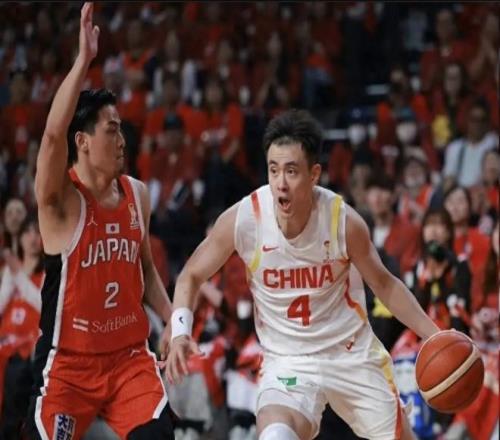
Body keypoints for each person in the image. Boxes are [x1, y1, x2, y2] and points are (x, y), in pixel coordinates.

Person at [163, 109, 440, 440]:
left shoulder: (343, 221)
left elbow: (385, 284)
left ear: (314, 175)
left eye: (292, 171)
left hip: (350, 352)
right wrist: (180, 330)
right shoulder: (247, 218)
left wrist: (436, 335)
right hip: (289, 360)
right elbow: (191, 274)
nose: (280, 183)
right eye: (273, 170)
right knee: (275, 436)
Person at [24, 4, 174, 439]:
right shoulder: (60, 202)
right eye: (111, 129)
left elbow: (145, 269)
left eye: (121, 128)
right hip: (70, 366)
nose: (122, 139)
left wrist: (174, 320)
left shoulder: (137, 194)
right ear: (83, 142)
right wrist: (83, 62)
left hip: (129, 359)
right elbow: (51, 136)